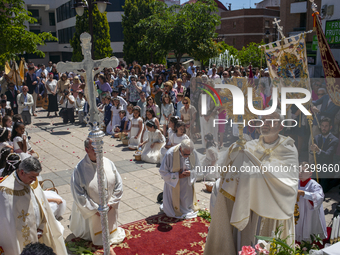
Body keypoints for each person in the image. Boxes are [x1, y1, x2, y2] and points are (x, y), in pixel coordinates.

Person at [204, 110, 299, 254]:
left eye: (270, 120)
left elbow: (287, 182)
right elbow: (230, 170)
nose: (265, 123)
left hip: (272, 209)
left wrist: (252, 173)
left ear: (280, 127)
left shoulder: (288, 149)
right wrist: (234, 152)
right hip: (249, 207)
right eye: (263, 119)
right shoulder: (250, 146)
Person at [0, 157, 67, 254]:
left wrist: (42, 226)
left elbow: (42, 205)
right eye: (32, 176)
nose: (35, 180)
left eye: (36, 176)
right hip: (22, 237)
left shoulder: (32, 181)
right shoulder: (6, 191)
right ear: (22, 172)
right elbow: (7, 224)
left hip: (41, 232)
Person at [70, 138, 126, 248]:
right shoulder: (79, 169)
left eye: (100, 147)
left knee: (110, 231)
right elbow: (78, 194)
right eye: (94, 148)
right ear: (86, 150)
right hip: (92, 212)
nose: (98, 151)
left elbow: (119, 185)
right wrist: (95, 209)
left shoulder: (109, 163)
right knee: (91, 234)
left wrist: (111, 203)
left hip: (109, 207)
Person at [159, 139, 199, 219]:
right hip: (174, 185)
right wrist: (177, 176)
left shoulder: (192, 152)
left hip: (187, 184)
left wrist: (191, 173)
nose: (187, 156)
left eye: (189, 154)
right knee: (175, 203)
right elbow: (163, 172)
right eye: (185, 154)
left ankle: (186, 207)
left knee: (186, 201)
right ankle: (175, 209)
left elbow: (199, 168)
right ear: (181, 148)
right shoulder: (170, 153)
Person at [295, 162, 327, 242]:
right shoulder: (296, 183)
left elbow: (319, 197)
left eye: (302, 171)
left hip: (309, 214)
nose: (300, 173)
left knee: (308, 230)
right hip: (298, 212)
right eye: (299, 171)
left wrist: (304, 193)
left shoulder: (314, 185)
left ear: (310, 173)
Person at [310, 117, 339, 192]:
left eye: (326, 126)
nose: (324, 128)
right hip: (317, 167)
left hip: (326, 168)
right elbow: (312, 153)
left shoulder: (334, 140)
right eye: (322, 126)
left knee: (323, 189)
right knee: (311, 187)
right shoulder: (316, 137)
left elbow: (328, 155)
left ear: (330, 127)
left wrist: (317, 150)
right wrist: (312, 150)